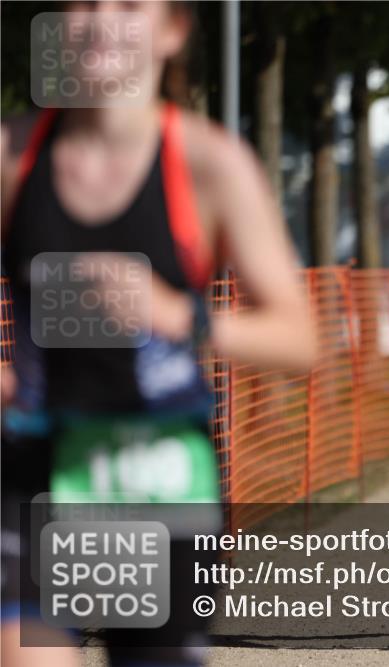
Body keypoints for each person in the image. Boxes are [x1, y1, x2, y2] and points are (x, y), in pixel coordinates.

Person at [0, 4, 317, 666]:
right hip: (35, 470)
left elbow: (301, 337)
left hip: (160, 476)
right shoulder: (13, 154)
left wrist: (184, 316)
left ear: (172, 31)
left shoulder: (209, 162)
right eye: (83, 4)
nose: (100, 20)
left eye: (127, 5)